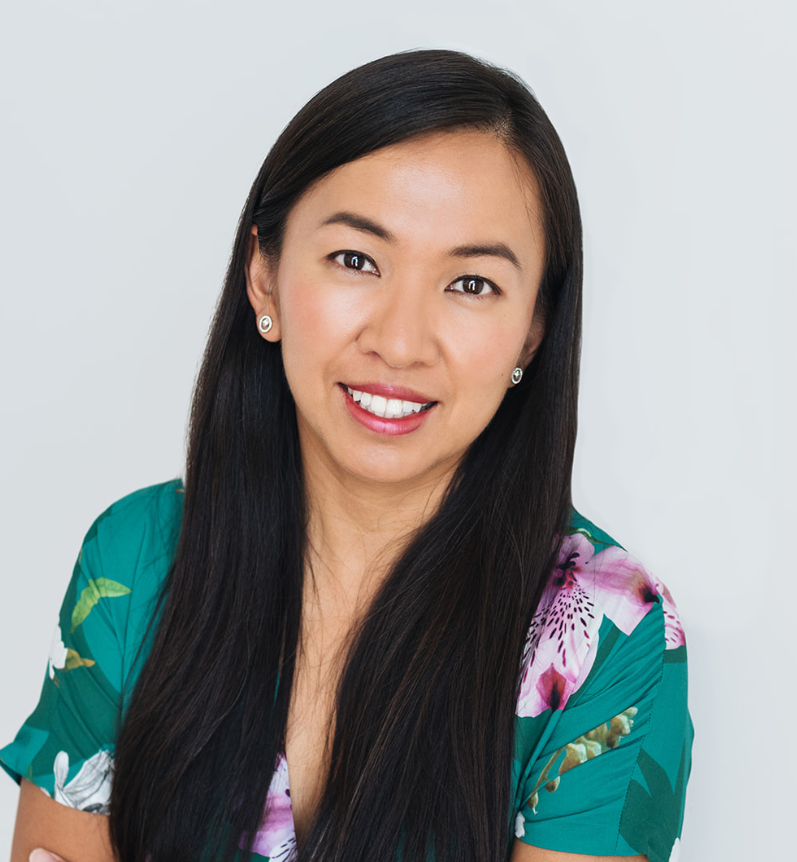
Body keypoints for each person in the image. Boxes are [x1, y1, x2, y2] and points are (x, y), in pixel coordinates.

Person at [2, 49, 693, 862]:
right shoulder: (139, 561)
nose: (400, 343)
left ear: (533, 331)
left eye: (471, 283)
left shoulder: (606, 638)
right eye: (356, 260)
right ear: (264, 277)